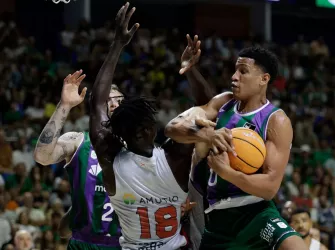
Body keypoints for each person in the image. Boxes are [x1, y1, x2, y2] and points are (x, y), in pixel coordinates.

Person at [89, 2, 213, 250]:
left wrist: (117, 45)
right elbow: (208, 106)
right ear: (147, 130)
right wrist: (191, 70)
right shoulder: (174, 158)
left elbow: (97, 103)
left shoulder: (109, 159)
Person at [165, 46, 307, 249]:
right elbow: (172, 128)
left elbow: (269, 188)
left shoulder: (276, 120)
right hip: (217, 219)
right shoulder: (223, 104)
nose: (234, 77)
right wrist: (207, 134)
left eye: (243, 71)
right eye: (234, 70)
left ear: (263, 79)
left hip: (255, 212)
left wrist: (227, 172)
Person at [34, 71, 123, 249]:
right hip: (83, 243)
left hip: (123, 243)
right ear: (96, 106)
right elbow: (42, 156)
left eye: (119, 100)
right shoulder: (78, 140)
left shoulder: (136, 147)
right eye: (107, 100)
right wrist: (64, 105)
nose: (114, 104)